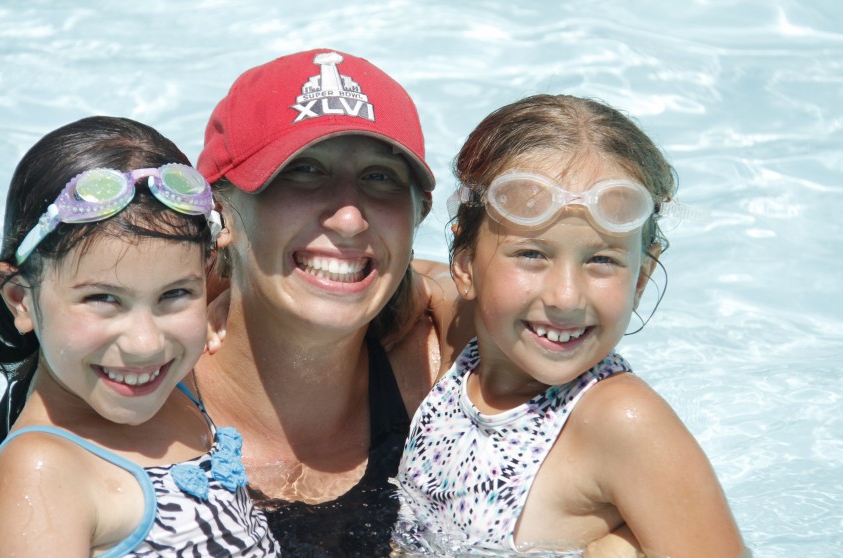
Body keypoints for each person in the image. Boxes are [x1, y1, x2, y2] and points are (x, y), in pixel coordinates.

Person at [193, 49, 644, 556]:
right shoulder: (142, 396)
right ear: (221, 209)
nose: (349, 219)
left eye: (379, 177)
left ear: (417, 217)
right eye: (305, 171)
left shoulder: (452, 383)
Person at [0, 116, 279, 557]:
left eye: (175, 294)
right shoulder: (44, 473)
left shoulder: (180, 394)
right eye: (103, 299)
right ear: (20, 300)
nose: (145, 344)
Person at [392, 94, 746, 556]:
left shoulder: (622, 422)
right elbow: (400, 272)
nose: (565, 297)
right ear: (465, 266)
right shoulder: (462, 351)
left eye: (602, 260)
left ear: (640, 279)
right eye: (532, 255)